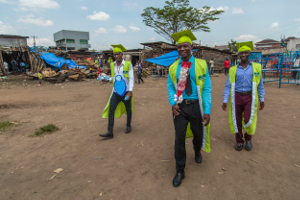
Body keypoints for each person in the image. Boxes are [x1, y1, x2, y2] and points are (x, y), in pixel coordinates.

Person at [168, 30, 211, 187]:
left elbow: (206, 89)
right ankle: (180, 170)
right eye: (179, 47)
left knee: (198, 135)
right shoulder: (173, 67)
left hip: (196, 107)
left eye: (185, 46)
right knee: (179, 138)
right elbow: (171, 88)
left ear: (191, 47)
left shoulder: (201, 64)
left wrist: (207, 110)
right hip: (180, 106)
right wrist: (172, 103)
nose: (182, 49)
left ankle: (197, 150)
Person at [222, 41, 265, 151]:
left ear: (250, 53)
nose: (243, 55)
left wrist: (262, 99)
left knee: (248, 118)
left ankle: (248, 138)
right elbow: (228, 86)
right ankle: (239, 141)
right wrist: (225, 100)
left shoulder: (256, 67)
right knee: (237, 119)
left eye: (245, 52)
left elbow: (260, 84)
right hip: (236, 97)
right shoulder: (233, 70)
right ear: (239, 55)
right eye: (241, 53)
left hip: (250, 97)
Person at [100, 44, 134, 139]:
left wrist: (130, 91)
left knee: (128, 109)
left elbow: (131, 78)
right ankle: (110, 131)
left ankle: (128, 125)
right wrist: (107, 79)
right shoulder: (112, 65)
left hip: (126, 91)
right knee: (111, 110)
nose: (117, 56)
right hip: (116, 91)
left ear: (122, 54)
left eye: (118, 54)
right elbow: (115, 78)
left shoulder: (127, 64)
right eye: (115, 54)